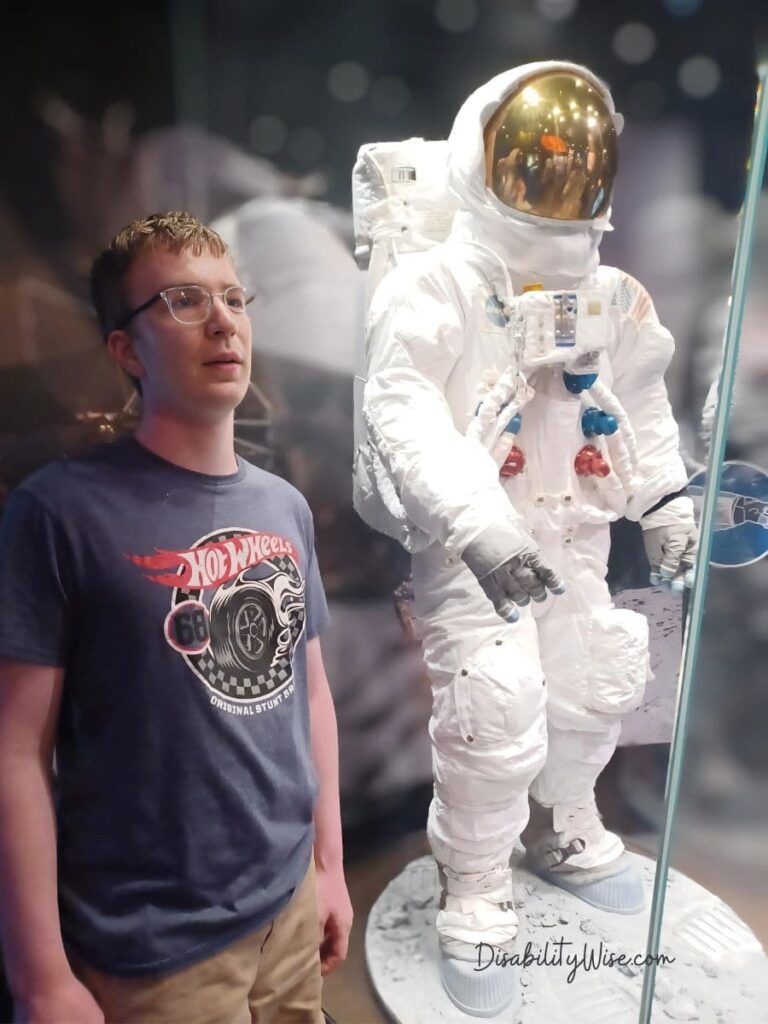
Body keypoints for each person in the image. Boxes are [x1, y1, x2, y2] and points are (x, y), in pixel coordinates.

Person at [357, 62, 697, 1016]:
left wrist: (666, 505)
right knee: (497, 704)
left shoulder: (615, 298)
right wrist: (480, 526)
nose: (560, 187)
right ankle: (475, 885)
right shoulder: (435, 287)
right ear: (483, 163)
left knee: (599, 672)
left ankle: (569, 824)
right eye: (538, 166)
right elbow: (404, 412)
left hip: (577, 529)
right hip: (474, 549)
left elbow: (642, 407)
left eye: (579, 168)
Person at [0, 211, 352, 1024]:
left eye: (233, 297)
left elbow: (310, 695)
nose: (223, 320)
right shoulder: (58, 513)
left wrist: (330, 865)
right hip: (153, 947)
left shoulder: (285, 506)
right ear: (127, 350)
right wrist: (40, 978)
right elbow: (16, 752)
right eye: (185, 301)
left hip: (289, 902)